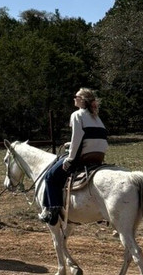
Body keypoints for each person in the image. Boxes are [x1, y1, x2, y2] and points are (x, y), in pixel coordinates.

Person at [39, 87, 109, 223]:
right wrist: (70, 144)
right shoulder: (96, 117)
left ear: (82, 100)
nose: (74, 98)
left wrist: (70, 159)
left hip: (83, 156)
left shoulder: (77, 115)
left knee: (50, 176)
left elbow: (78, 138)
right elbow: (90, 137)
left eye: (76, 96)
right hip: (98, 156)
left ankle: (52, 210)